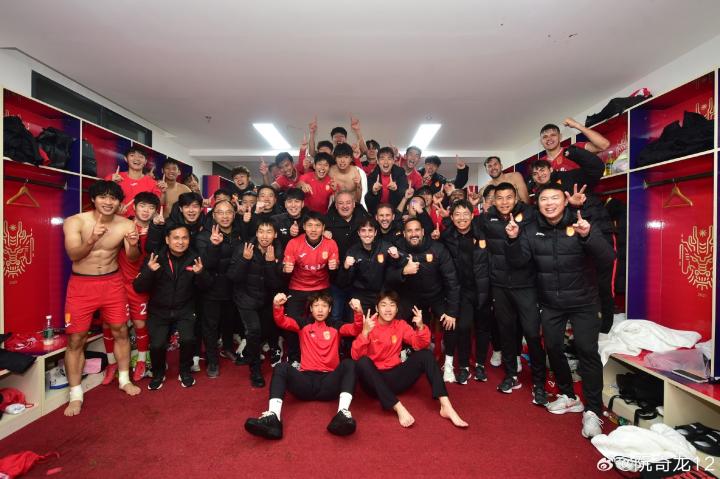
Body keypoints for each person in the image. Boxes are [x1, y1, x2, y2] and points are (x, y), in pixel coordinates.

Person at [505, 183, 614, 438]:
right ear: (537, 203)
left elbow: (608, 258)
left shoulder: (581, 223)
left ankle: (593, 410)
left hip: (584, 301)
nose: (549, 203)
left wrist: (588, 235)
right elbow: (519, 262)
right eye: (544, 199)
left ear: (565, 201)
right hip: (551, 303)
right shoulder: (530, 230)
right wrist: (513, 240)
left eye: (554, 198)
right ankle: (569, 395)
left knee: (587, 351)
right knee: (553, 348)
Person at [62, 180, 142, 416]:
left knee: (121, 331)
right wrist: (91, 240)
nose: (108, 202)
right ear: (93, 199)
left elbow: (133, 257)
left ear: (119, 203)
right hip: (81, 285)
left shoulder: (126, 224)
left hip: (112, 283)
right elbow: (73, 255)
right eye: (103, 197)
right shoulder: (75, 221)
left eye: (113, 198)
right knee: (76, 339)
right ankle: (75, 394)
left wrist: (133, 245)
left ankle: (124, 379)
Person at [244, 292, 361, 439]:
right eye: (316, 305)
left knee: (349, 364)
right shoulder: (303, 323)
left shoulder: (336, 326)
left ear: (330, 309)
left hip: (329, 384)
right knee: (281, 367)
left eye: (324, 306)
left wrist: (358, 312)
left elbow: (355, 329)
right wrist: (277, 306)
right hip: (305, 383)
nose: (320, 309)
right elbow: (281, 321)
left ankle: (342, 414)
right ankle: (273, 417)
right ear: (311, 309)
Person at [351, 291, 468, 428]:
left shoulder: (400, 325)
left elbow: (420, 344)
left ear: (397, 309)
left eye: (392, 305)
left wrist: (420, 326)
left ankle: (446, 406)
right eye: (383, 305)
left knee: (426, 355)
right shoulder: (369, 325)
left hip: (395, 377)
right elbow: (355, 356)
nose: (388, 309)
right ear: (377, 308)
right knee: (363, 362)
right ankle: (397, 407)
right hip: (374, 383)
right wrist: (365, 332)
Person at [476, 182, 547, 403]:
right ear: (493, 201)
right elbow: (463, 225)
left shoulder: (530, 216)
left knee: (532, 334)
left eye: (509, 197)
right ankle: (511, 374)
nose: (504, 202)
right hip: (500, 285)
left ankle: (539, 383)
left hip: (526, 285)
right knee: (506, 332)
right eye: (500, 198)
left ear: (516, 198)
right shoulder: (487, 219)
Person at [133, 224, 210, 389]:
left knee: (188, 339)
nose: (180, 242)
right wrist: (149, 272)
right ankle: (158, 373)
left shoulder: (195, 258)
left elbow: (206, 287)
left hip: (185, 308)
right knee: (157, 345)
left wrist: (201, 274)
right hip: (159, 310)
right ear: (167, 240)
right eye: (176, 238)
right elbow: (138, 287)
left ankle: (185, 371)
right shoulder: (155, 258)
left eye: (184, 238)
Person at [386, 218, 459, 375]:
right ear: (404, 234)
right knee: (395, 318)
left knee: (451, 321)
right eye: (409, 231)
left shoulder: (438, 249)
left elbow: (451, 280)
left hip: (435, 295)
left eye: (417, 230)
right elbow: (387, 277)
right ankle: (402, 354)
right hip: (410, 296)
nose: (414, 234)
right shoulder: (397, 249)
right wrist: (403, 271)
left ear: (423, 232)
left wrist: (452, 311)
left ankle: (448, 364)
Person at [101, 192, 159, 385]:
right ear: (134, 207)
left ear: (155, 211)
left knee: (140, 324)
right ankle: (112, 363)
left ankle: (141, 361)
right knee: (109, 325)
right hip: (116, 283)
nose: (146, 210)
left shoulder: (158, 230)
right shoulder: (122, 225)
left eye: (151, 207)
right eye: (142, 206)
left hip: (140, 284)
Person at [227, 219, 285, 386]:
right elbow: (232, 276)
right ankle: (255, 370)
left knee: (264, 331)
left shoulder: (279, 250)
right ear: (256, 233)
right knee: (254, 331)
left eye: (269, 232)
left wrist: (270, 264)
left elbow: (276, 284)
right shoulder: (245, 247)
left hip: (266, 299)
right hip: (245, 297)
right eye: (261, 231)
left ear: (275, 235)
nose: (264, 236)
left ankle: (247, 352)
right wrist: (245, 260)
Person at [439, 200, 490, 384]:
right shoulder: (446, 237)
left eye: (465, 214)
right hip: (462, 290)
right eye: (457, 214)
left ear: (472, 215)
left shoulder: (483, 233)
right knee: (463, 327)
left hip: (483, 289)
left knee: (483, 328)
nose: (462, 218)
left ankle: (481, 365)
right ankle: (463, 366)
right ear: (452, 218)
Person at [282, 211, 339, 365]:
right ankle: (294, 358)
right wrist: (286, 269)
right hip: (297, 287)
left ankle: (320, 357)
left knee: (324, 323)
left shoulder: (330, 244)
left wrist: (335, 267)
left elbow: (336, 269)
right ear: (304, 227)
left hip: (321, 288)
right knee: (292, 323)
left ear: (323, 228)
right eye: (310, 225)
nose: (313, 229)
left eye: (317, 226)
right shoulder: (294, 243)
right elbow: (284, 268)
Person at [196, 200, 242, 377]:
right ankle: (212, 360)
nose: (225, 216)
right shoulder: (204, 236)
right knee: (211, 325)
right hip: (211, 287)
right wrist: (214, 245)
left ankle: (228, 348)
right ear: (214, 215)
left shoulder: (239, 232)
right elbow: (205, 264)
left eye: (228, 212)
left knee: (229, 321)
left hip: (233, 286)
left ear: (234, 214)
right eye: (220, 212)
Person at [336, 218, 397, 316]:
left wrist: (397, 257)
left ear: (375, 232)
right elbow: (342, 283)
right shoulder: (353, 251)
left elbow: (397, 270)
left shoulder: (385, 247)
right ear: (359, 233)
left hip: (382, 294)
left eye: (370, 230)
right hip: (361, 295)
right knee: (356, 321)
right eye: (363, 230)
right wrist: (345, 267)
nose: (367, 234)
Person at [107, 147, 161, 218]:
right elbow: (101, 199)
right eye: (132, 155)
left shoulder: (153, 184)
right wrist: (111, 184)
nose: (137, 159)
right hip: (114, 221)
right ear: (126, 158)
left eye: (141, 156)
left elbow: (156, 207)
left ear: (145, 161)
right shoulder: (112, 178)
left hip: (140, 223)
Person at [539, 118, 610, 172]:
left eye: (553, 135)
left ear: (560, 137)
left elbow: (604, 145)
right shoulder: (539, 163)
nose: (549, 139)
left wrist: (576, 125)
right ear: (541, 141)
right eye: (545, 137)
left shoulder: (575, 149)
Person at [365, 146, 410, 214]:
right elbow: (368, 203)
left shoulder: (400, 173)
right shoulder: (372, 176)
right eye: (382, 158)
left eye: (389, 158)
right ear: (378, 161)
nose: (386, 162)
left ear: (393, 161)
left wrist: (396, 190)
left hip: (395, 211)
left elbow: (404, 195)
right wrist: (373, 192)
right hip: (378, 212)